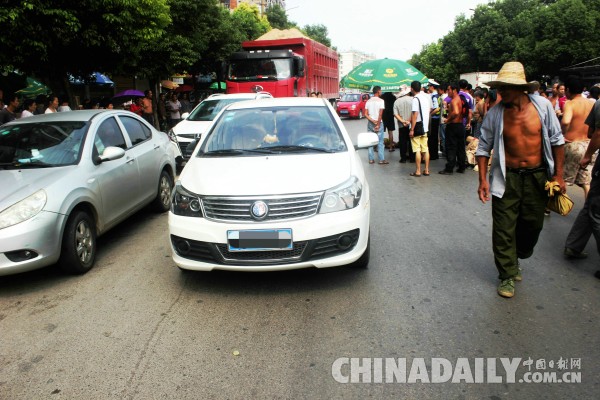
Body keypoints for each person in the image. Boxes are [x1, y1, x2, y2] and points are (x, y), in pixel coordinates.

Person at [475, 61, 565, 298]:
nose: (501, 91)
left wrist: (558, 175)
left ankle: (517, 256)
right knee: (503, 228)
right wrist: (483, 180)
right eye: (499, 87)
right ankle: (506, 275)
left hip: (537, 176)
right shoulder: (496, 113)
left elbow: (557, 140)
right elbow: (483, 147)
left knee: (532, 225)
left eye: (506, 87)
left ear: (522, 88)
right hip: (507, 177)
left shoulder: (543, 107)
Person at [564, 93, 600, 264]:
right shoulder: (592, 103)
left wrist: (588, 155)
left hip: (576, 144)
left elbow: (596, 132)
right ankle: (574, 245)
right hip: (585, 145)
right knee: (592, 200)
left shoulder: (574, 104)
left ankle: (574, 245)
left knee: (594, 207)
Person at [561, 75, 595, 198]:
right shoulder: (591, 103)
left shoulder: (570, 103)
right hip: (589, 145)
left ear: (568, 90)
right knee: (586, 181)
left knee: (562, 177)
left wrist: (562, 133)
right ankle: (588, 206)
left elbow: (565, 121)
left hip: (573, 145)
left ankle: (551, 206)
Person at [439, 83, 467, 175]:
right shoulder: (459, 99)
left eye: (449, 90)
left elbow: (456, 112)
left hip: (453, 126)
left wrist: (448, 119)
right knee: (460, 147)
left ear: (454, 90)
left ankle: (449, 168)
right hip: (460, 126)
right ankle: (461, 166)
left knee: (451, 147)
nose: (448, 92)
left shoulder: (454, 100)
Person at [408, 80, 431, 176]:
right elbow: (429, 110)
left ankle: (418, 171)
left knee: (417, 149)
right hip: (425, 127)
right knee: (425, 149)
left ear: (412, 88)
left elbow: (415, 114)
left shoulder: (415, 99)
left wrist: (412, 129)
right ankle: (426, 170)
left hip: (417, 127)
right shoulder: (425, 98)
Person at [364, 85, 387, 165]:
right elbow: (380, 114)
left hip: (370, 123)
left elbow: (365, 114)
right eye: (380, 91)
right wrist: (377, 124)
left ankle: (371, 159)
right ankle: (381, 159)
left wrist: (372, 120)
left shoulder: (368, 101)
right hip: (379, 122)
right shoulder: (381, 101)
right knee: (380, 141)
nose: (381, 92)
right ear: (378, 91)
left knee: (370, 141)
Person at [393, 85, 414, 163]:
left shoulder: (397, 101)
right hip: (411, 124)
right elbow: (414, 112)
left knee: (402, 142)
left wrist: (403, 121)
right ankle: (412, 158)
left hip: (401, 125)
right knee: (411, 141)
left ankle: (403, 158)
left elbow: (395, 114)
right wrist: (409, 121)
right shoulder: (413, 100)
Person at [429, 83, 441, 160]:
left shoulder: (434, 96)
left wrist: (430, 115)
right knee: (435, 137)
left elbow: (436, 108)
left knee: (432, 137)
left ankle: (433, 155)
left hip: (434, 118)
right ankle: (434, 154)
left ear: (432, 87)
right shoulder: (437, 95)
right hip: (437, 118)